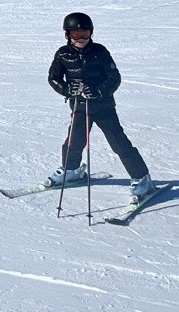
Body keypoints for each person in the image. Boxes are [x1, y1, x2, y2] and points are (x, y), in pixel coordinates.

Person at [46, 13, 156, 200]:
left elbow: (114, 77)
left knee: (118, 142)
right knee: (73, 142)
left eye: (85, 34)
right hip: (79, 106)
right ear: (67, 35)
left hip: (103, 107)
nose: (81, 39)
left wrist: (98, 91)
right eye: (75, 34)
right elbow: (53, 78)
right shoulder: (63, 54)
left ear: (91, 33)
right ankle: (71, 170)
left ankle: (142, 178)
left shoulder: (100, 51)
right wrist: (67, 89)